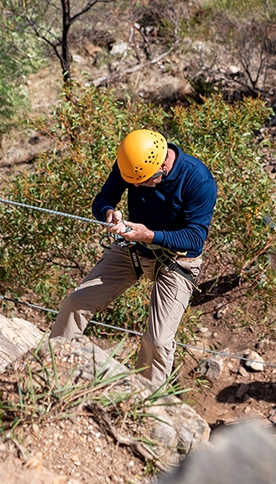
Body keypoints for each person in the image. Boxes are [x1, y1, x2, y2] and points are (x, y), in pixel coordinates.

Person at [51, 129, 217, 390]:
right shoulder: (132, 162)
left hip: (176, 260)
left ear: (164, 165)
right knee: (75, 302)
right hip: (133, 246)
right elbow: (104, 198)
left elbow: (195, 239)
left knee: (158, 341)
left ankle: (144, 403)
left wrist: (149, 235)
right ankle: (51, 368)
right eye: (134, 182)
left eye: (145, 181)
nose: (137, 187)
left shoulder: (198, 180)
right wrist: (109, 213)